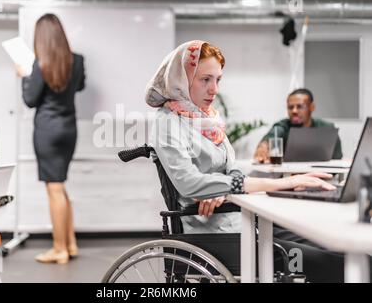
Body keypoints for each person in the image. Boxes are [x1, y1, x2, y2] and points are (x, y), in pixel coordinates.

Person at [147, 40, 350, 282]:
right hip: (214, 232)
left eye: (218, 79)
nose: (214, 89)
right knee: (338, 264)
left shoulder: (207, 119)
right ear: (182, 77)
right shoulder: (167, 121)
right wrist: (283, 183)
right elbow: (189, 183)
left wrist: (220, 190)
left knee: (332, 243)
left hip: (236, 218)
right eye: (205, 79)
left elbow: (231, 167)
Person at [17, 14, 85, 264]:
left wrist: (25, 76)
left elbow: (30, 100)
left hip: (47, 130)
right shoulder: (77, 60)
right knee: (60, 186)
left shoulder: (39, 64)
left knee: (54, 188)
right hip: (69, 129)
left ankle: (59, 250)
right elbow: (80, 86)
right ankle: (70, 243)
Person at [254, 88, 343, 163]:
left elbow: (337, 159)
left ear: (312, 107)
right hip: (289, 178)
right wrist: (264, 145)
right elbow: (274, 133)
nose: (294, 111)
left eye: (300, 106)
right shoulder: (283, 126)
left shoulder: (327, 128)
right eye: (290, 107)